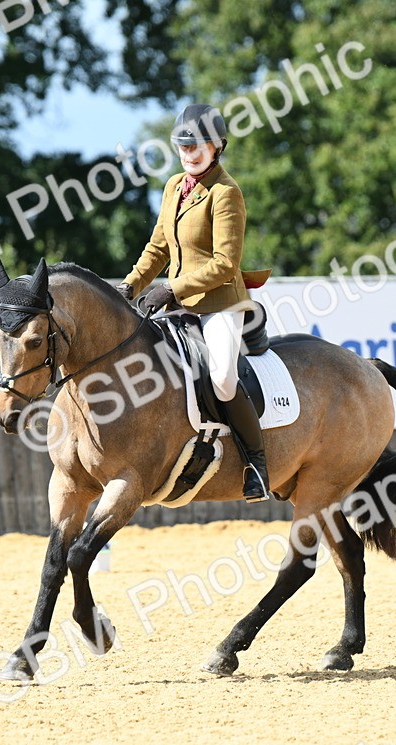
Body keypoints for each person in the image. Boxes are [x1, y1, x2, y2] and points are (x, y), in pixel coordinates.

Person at [118, 104, 270, 503]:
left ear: (218, 146)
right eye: (183, 148)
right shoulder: (172, 186)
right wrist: (130, 286)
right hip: (180, 306)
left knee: (221, 378)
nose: (189, 154)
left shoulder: (226, 192)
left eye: (198, 147)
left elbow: (225, 264)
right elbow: (158, 246)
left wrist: (171, 290)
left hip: (220, 305)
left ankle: (256, 462)